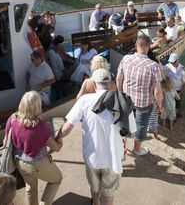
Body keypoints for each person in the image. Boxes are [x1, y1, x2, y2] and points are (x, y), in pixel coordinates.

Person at [57, 69, 136, 205]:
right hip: (113, 158)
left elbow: (67, 127)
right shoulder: (122, 100)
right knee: (109, 191)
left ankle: (95, 202)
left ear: (94, 84)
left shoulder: (85, 100)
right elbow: (130, 133)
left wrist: (57, 137)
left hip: (91, 156)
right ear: (110, 84)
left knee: (94, 186)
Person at [5, 91, 62, 205]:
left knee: (30, 187)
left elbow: (5, 141)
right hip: (36, 164)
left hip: (19, 162)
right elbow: (56, 148)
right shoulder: (40, 126)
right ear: (37, 107)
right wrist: (60, 141)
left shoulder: (12, 119)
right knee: (57, 179)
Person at [116, 34, 163, 156]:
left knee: (126, 121)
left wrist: (121, 94)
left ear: (136, 45)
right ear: (148, 47)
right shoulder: (153, 66)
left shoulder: (126, 58)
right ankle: (137, 149)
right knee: (141, 125)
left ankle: (124, 145)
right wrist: (160, 106)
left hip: (126, 99)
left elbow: (118, 79)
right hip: (144, 103)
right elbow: (157, 91)